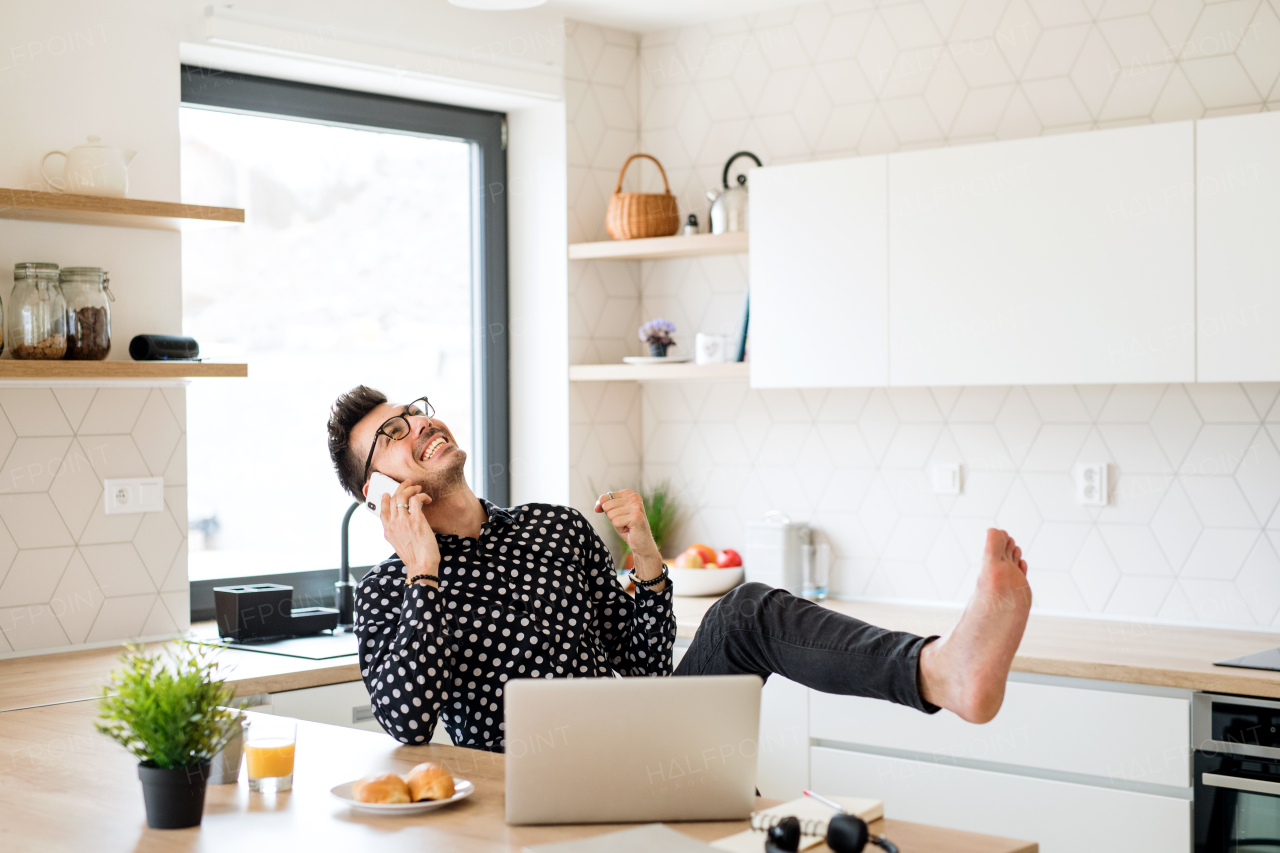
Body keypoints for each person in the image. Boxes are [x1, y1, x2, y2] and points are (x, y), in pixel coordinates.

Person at [327, 387, 1033, 752]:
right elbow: (409, 725)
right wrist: (424, 570)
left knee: (746, 609)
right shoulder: (392, 590)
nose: (418, 425)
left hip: (644, 734)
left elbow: (638, 663)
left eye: (414, 412)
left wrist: (647, 563)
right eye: (391, 434)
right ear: (377, 492)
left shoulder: (555, 526)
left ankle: (941, 671)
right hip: (542, 785)